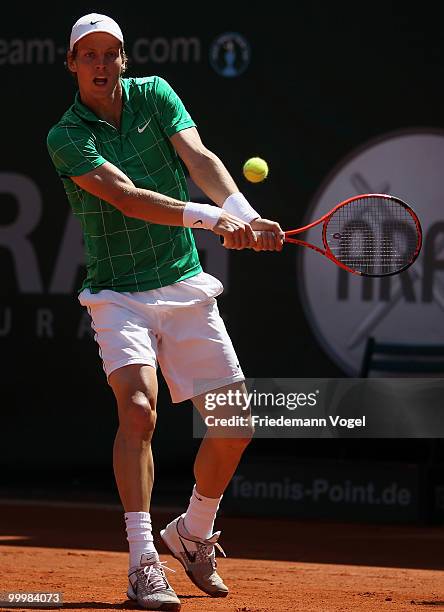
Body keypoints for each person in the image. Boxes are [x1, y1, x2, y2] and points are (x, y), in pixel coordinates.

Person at [47, 13, 283, 612]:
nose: (101, 65)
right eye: (89, 55)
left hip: (181, 283)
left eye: (111, 53)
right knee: (139, 410)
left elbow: (197, 156)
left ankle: (193, 533)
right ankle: (142, 561)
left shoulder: (156, 95)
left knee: (235, 425)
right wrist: (212, 220)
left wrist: (243, 211)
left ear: (124, 59)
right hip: (119, 293)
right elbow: (125, 197)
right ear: (72, 64)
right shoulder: (67, 136)